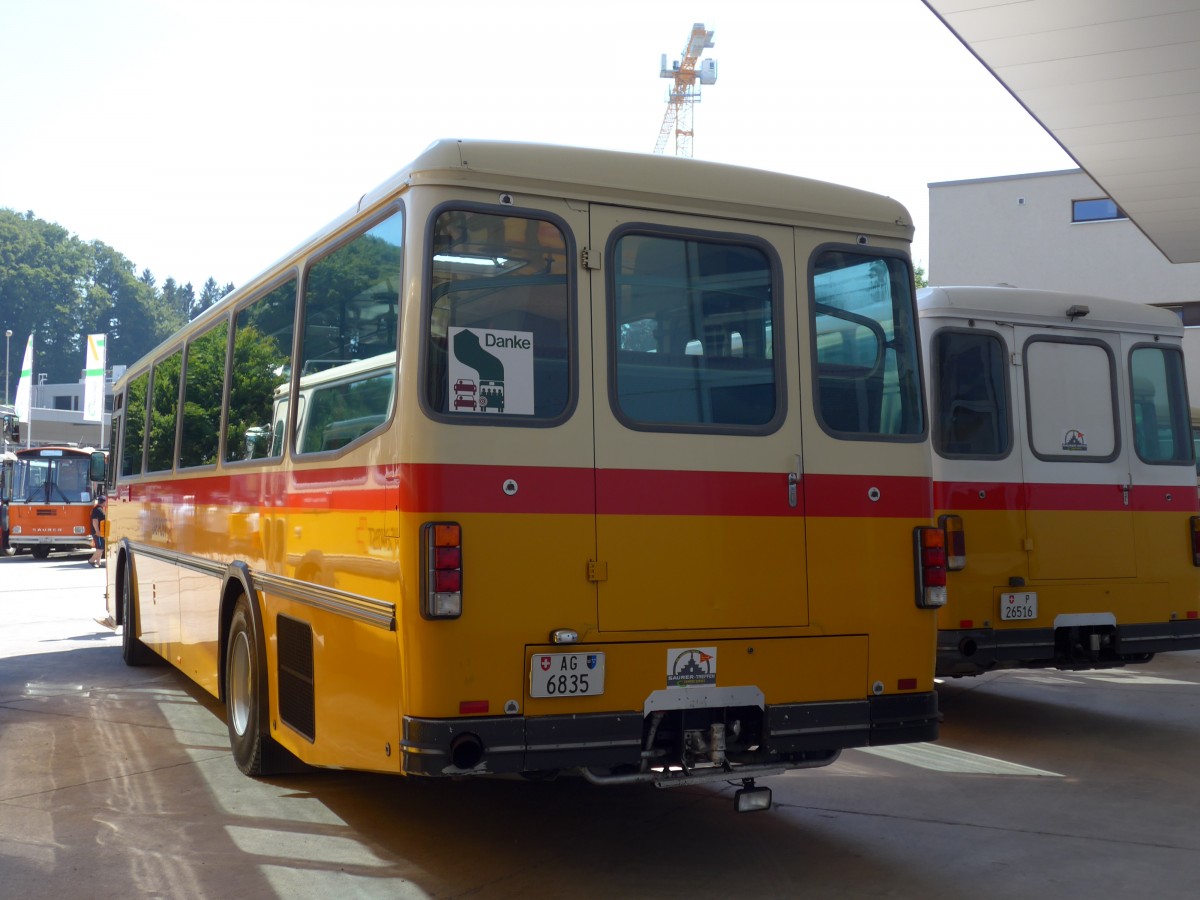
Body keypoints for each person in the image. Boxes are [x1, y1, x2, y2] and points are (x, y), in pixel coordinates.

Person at [88, 496, 107, 567]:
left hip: (100, 532)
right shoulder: (97, 510)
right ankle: (91, 560)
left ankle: (98, 563)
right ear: (104, 502)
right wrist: (97, 531)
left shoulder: (100, 509)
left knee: (100, 548)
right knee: (100, 548)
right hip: (97, 532)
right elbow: (95, 521)